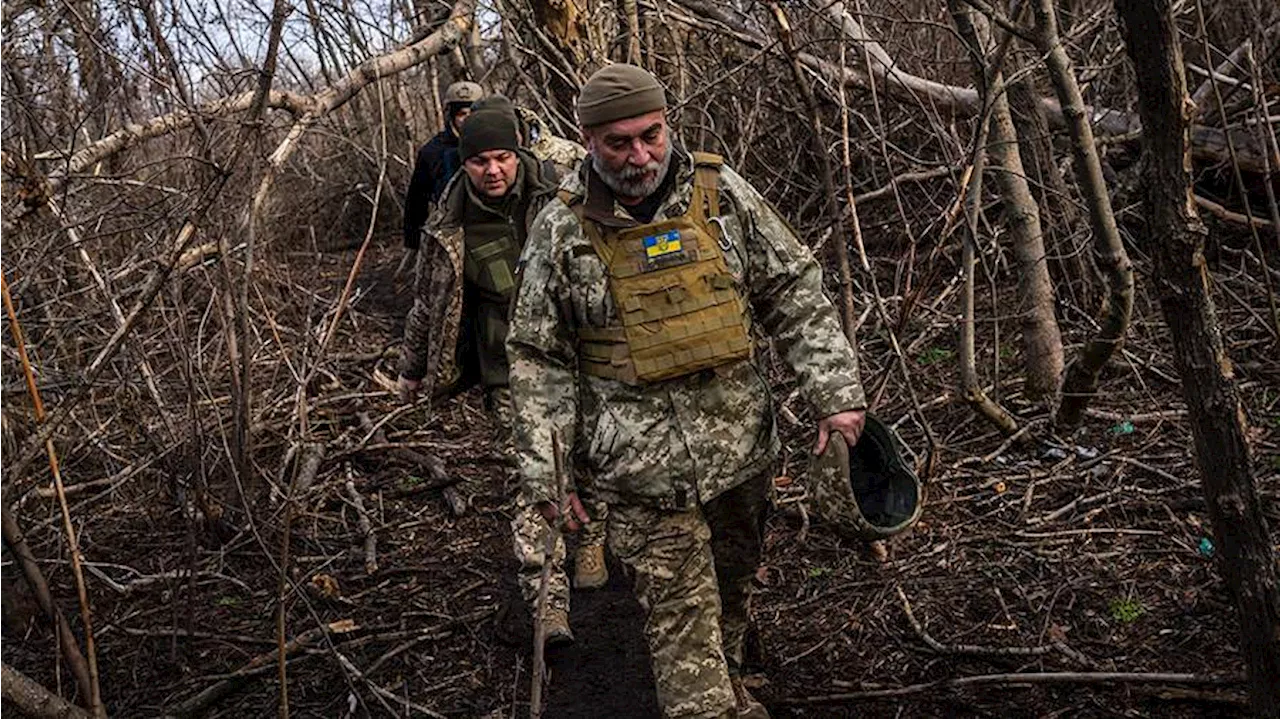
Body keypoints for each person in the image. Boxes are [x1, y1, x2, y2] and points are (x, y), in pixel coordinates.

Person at [506, 64, 868, 718]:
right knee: (683, 623)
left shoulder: (721, 195)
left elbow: (795, 291)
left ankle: (729, 681)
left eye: (652, 134)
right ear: (587, 139)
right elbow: (538, 360)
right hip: (642, 474)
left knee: (731, 592)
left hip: (742, 453)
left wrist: (834, 391)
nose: (640, 155)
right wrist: (551, 475)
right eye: (619, 143)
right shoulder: (560, 231)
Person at [397, 108, 607, 650]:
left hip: (576, 355)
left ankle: (588, 538)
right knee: (527, 475)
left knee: (584, 454)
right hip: (504, 365)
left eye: (502, 157)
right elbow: (428, 299)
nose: (492, 170)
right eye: (479, 160)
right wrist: (411, 370)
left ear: (518, 154)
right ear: (462, 162)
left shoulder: (561, 196)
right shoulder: (448, 218)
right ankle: (546, 602)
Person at [400, 80, 483, 276]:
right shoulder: (433, 151)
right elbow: (416, 200)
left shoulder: (498, 144)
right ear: (451, 116)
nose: (468, 119)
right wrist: (412, 244)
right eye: (462, 114)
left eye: (473, 113)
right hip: (452, 235)